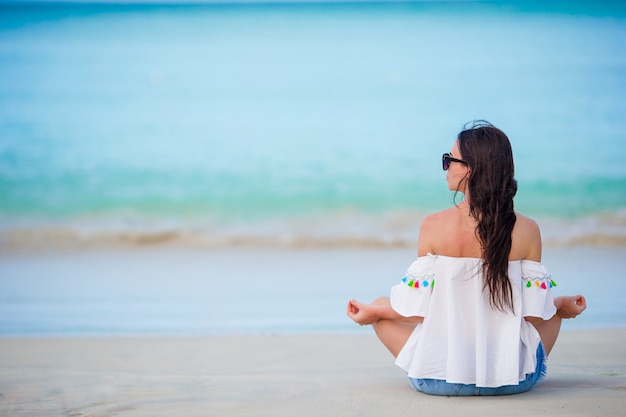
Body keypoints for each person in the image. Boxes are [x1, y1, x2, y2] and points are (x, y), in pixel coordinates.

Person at [347, 121, 586, 396]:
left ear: (469, 169)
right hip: (512, 380)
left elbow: (415, 311)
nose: (445, 167)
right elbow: (532, 315)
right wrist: (559, 306)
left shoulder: (433, 225)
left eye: (449, 160)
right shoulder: (528, 229)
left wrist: (375, 312)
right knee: (552, 309)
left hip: (437, 380)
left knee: (381, 306)